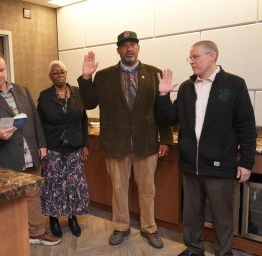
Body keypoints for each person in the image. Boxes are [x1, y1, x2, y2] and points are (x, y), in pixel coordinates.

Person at [157, 40, 257, 256]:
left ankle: (224, 252)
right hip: (190, 163)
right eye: (190, 58)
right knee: (191, 212)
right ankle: (194, 248)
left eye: (195, 57)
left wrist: (247, 162)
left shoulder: (234, 85)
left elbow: (246, 126)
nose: (191, 62)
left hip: (219, 163)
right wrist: (164, 96)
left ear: (212, 56)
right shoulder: (186, 87)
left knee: (221, 214)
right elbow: (172, 118)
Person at [77, 31, 173, 249]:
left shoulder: (154, 73)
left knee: (148, 190)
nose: (129, 49)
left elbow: (161, 111)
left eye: (133, 44)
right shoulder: (103, 76)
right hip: (116, 143)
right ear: (118, 50)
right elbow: (89, 103)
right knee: (118, 189)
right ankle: (121, 226)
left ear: (138, 48)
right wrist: (85, 78)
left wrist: (165, 138)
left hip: (146, 143)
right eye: (124, 45)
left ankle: (150, 227)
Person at [0, 51, 61, 246]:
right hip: (2, 157)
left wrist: (41, 144)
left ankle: (36, 232)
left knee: (33, 194)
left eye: (2, 70)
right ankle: (9, 238)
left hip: (29, 153)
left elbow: (35, 119)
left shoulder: (22, 90)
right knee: (6, 201)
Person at [37, 60, 90, 238]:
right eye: (56, 73)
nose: (60, 75)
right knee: (54, 186)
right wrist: (42, 147)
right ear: (50, 76)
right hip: (54, 148)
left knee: (74, 185)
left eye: (62, 72)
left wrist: (86, 145)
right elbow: (40, 124)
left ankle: (72, 217)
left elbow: (83, 120)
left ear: (66, 74)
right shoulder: (44, 96)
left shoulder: (77, 92)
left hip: (75, 147)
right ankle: (54, 218)